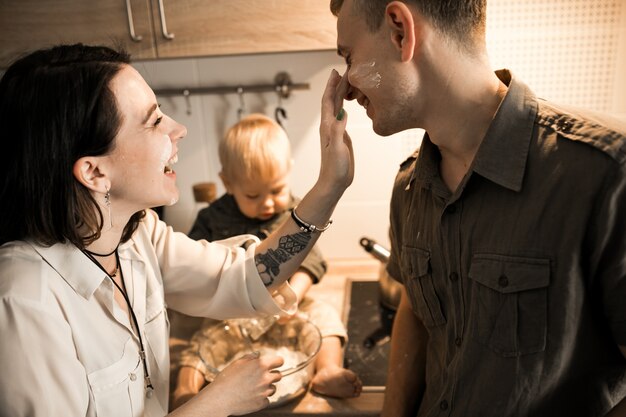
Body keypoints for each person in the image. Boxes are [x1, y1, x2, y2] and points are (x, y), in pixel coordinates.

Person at [0, 43, 353, 417]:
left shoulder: (136, 237)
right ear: (95, 172)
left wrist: (330, 185)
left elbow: (246, 277)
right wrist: (214, 403)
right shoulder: (23, 301)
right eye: (154, 121)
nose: (179, 129)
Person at [329, 1, 626, 416]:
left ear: (400, 30)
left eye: (348, 56)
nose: (344, 86)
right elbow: (416, 313)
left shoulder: (606, 174)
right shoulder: (409, 188)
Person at [171, 113, 362, 407]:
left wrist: (293, 297)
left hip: (287, 311)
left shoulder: (294, 215)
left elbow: (313, 263)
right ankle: (186, 390)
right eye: (253, 195)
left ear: (288, 172)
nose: (268, 202)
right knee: (198, 339)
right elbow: (196, 268)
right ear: (228, 183)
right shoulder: (210, 218)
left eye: (276, 190)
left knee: (325, 316)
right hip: (231, 314)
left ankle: (327, 369)